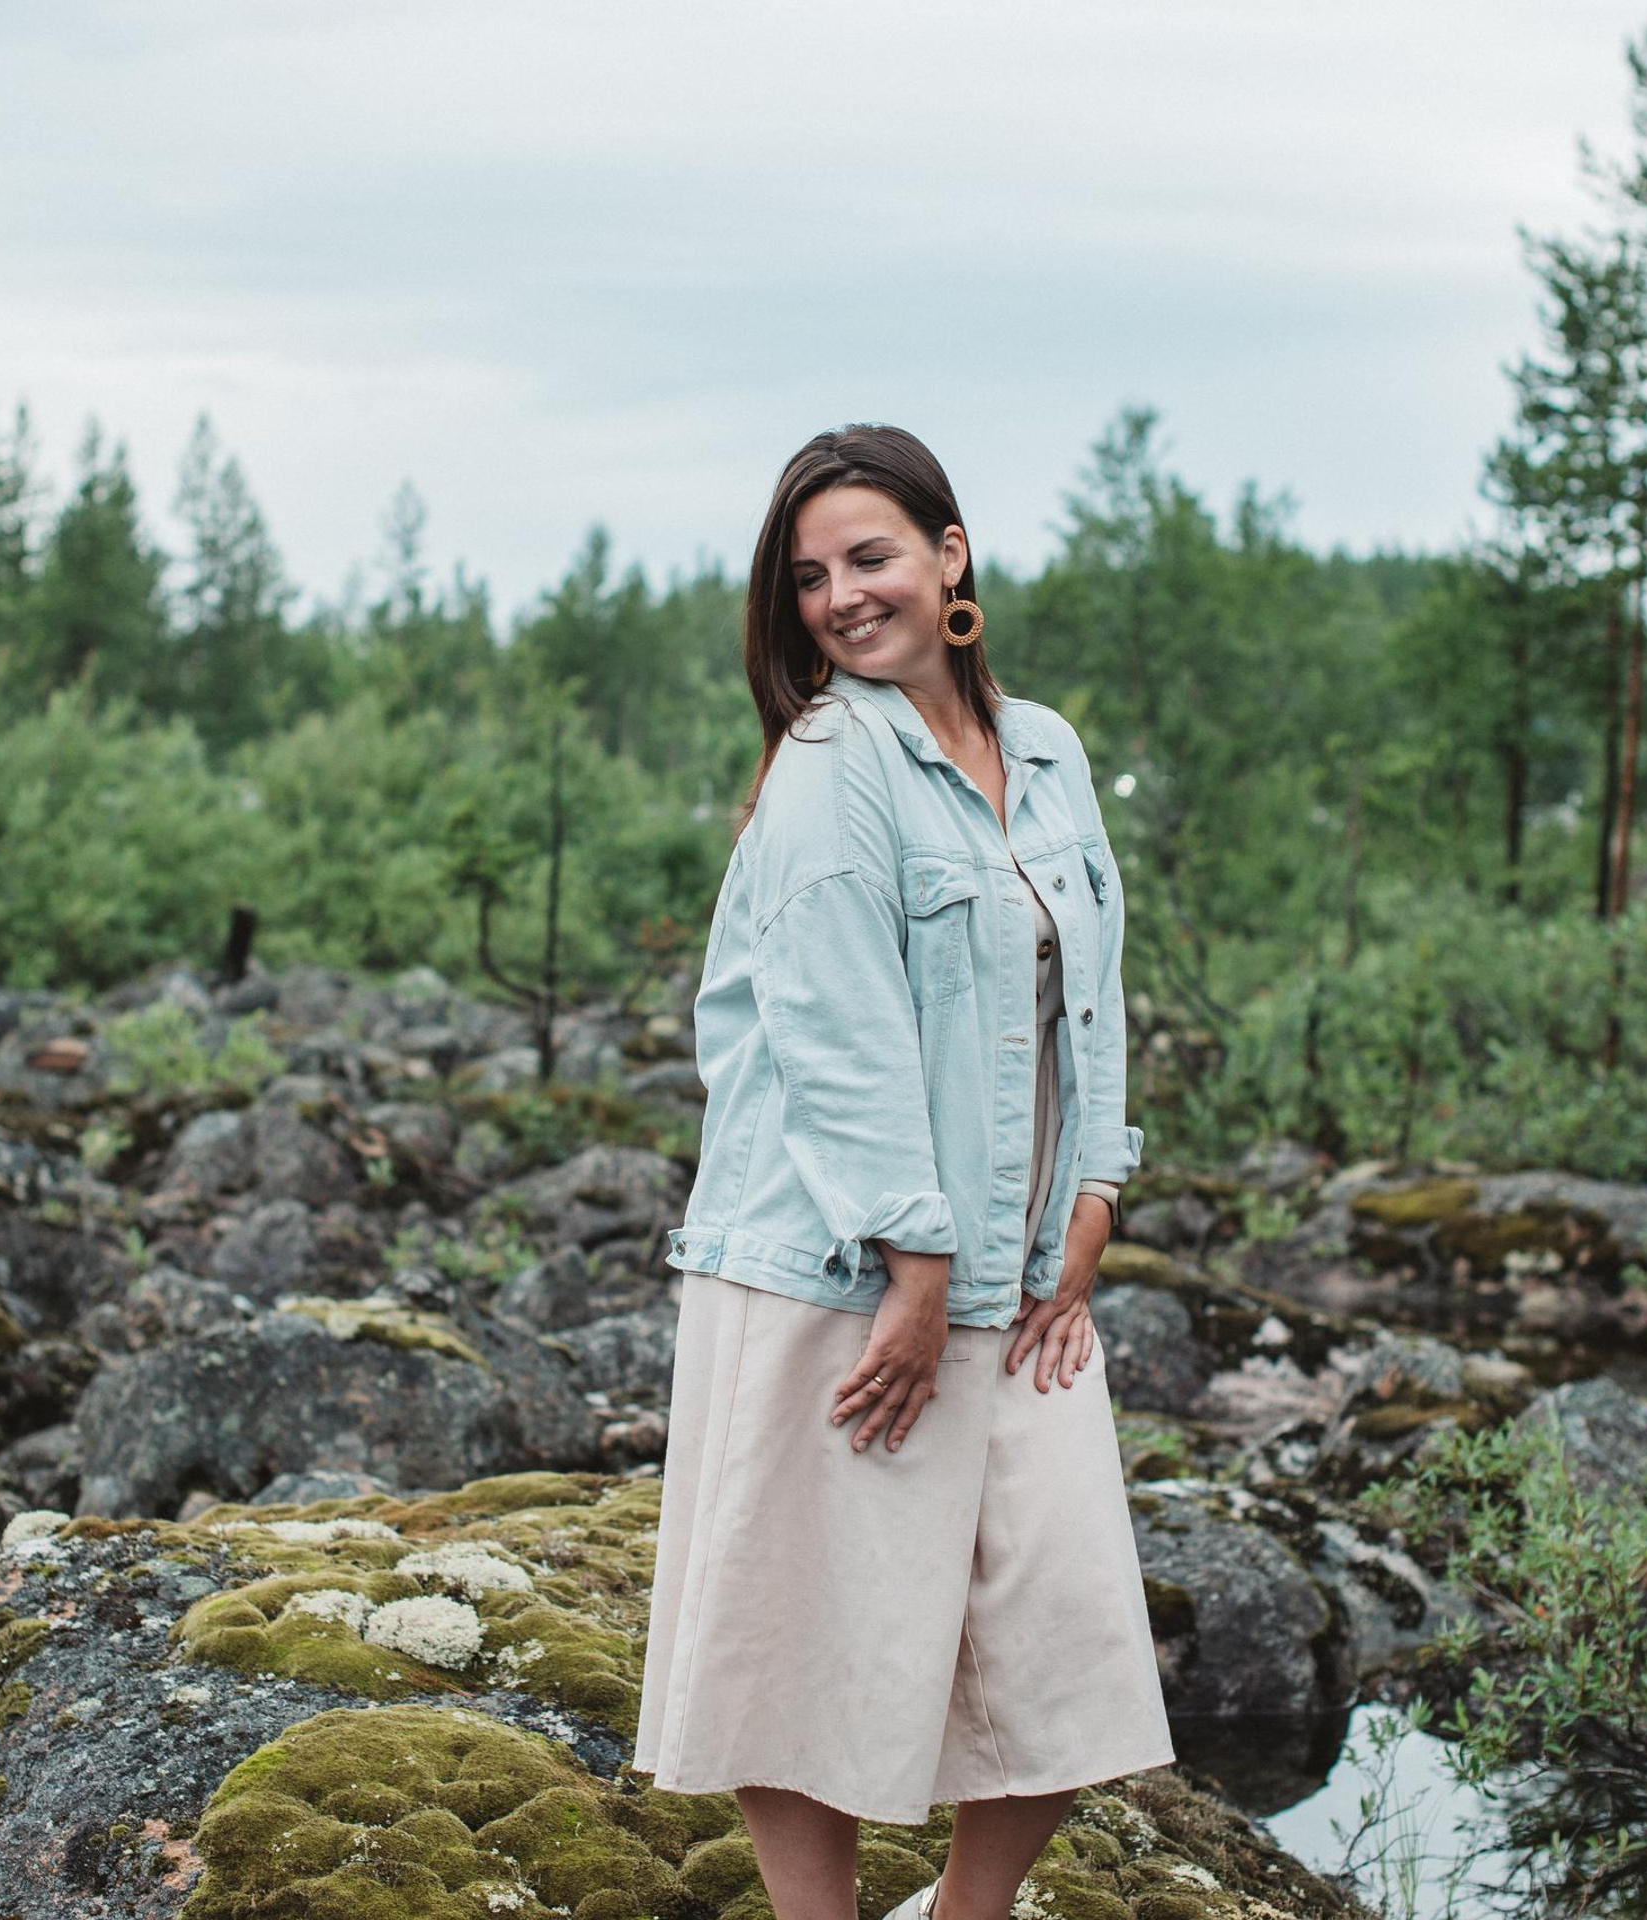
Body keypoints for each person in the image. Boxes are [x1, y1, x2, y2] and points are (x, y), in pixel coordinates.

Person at [627, 424, 1175, 1920]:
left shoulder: (1048, 751)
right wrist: (917, 1275)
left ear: (951, 556)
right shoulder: (829, 763)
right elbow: (830, 1027)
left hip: (1014, 1271)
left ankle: (964, 1912)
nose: (840, 599)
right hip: (837, 1270)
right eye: (808, 578)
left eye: (868, 558)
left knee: (1066, 1647)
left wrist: (1099, 1194)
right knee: (803, 1647)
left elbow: (1095, 990)